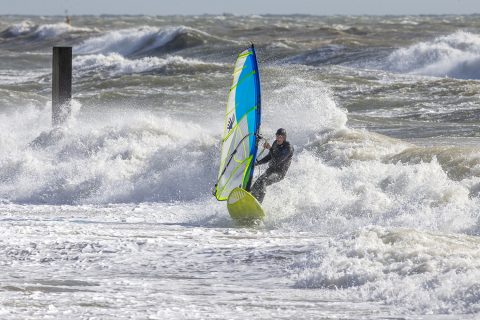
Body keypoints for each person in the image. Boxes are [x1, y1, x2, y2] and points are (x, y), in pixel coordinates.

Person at [250, 128, 294, 203]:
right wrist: (257, 163)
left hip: (279, 173)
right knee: (256, 184)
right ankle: (250, 201)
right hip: (271, 170)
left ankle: (258, 204)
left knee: (263, 181)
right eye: (277, 136)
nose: (278, 138)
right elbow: (269, 157)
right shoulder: (275, 143)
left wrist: (270, 149)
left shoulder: (288, 148)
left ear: (284, 137)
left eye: (280, 137)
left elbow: (278, 160)